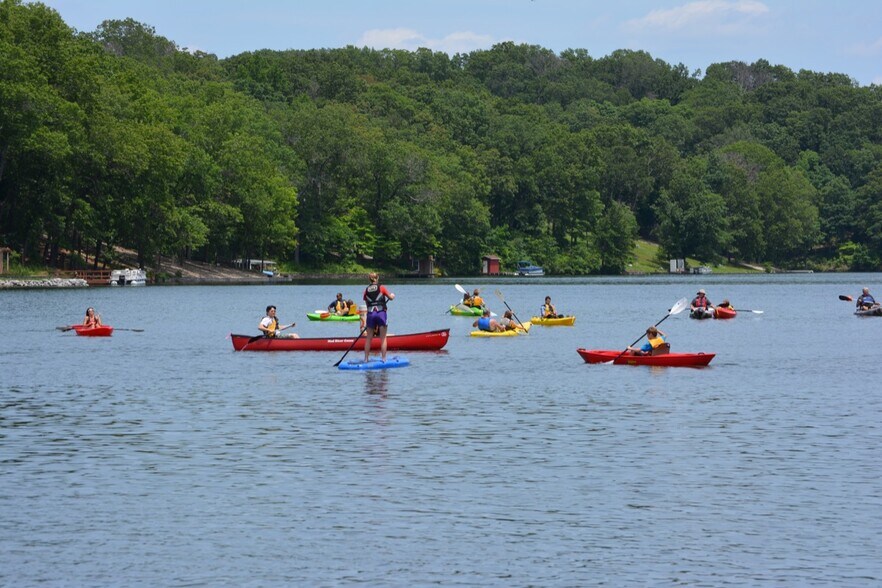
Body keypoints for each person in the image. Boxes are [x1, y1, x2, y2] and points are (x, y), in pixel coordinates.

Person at [363, 273, 395, 362]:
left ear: (369, 279)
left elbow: (367, 304)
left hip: (370, 314)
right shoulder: (382, 287)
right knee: (383, 338)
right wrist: (392, 295)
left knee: (368, 338)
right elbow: (390, 298)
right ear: (377, 278)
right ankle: (384, 358)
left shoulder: (366, 290)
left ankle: (366, 359)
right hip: (381, 313)